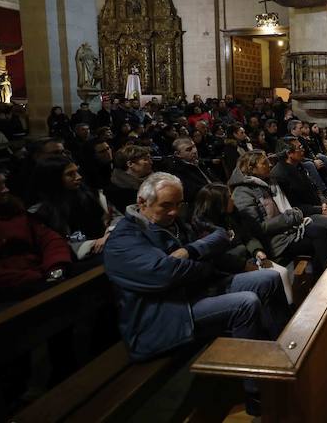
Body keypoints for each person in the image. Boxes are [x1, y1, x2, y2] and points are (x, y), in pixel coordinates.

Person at [103, 172, 289, 416]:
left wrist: (190, 251)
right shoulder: (124, 239)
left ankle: (283, 355)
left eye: (178, 205)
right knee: (245, 303)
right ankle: (257, 393)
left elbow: (219, 236)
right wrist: (201, 261)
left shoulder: (173, 224)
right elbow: (164, 275)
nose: (174, 212)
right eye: (166, 206)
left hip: (194, 294)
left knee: (269, 278)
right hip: (162, 315)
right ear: (142, 202)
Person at [0, 167, 71, 315]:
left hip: (42, 274)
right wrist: (33, 278)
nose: (4, 190)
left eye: (3, 184)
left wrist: (55, 266)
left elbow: (49, 238)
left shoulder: (15, 213)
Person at [232, 150, 327, 275]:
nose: (270, 165)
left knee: (321, 230)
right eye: (264, 163)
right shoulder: (242, 193)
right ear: (251, 168)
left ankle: (324, 272)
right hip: (274, 240)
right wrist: (289, 218)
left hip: (288, 228)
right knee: (321, 235)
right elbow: (257, 228)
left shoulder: (268, 182)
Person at [27, 156, 110, 265]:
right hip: (78, 257)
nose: (79, 177)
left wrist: (109, 234)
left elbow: (114, 217)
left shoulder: (92, 195)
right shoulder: (41, 212)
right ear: (53, 178)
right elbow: (56, 243)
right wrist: (91, 245)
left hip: (107, 243)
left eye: (77, 171)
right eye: (70, 174)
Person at [166, 137, 214, 207]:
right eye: (188, 149)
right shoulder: (176, 171)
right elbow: (192, 193)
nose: (194, 151)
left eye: (194, 147)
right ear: (177, 154)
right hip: (201, 205)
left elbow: (212, 179)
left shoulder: (199, 162)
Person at [106, 145, 153, 213]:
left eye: (150, 159)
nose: (151, 162)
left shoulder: (153, 181)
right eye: (145, 159)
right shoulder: (115, 191)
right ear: (130, 164)